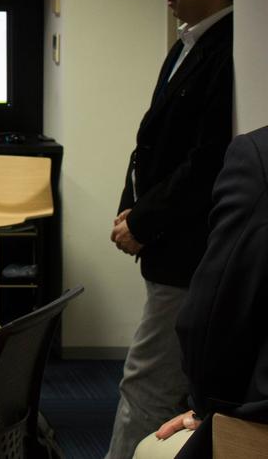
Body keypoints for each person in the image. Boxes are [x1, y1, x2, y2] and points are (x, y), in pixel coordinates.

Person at [104, 0, 234, 459]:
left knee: (148, 384)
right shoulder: (190, 42)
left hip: (189, 249)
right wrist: (130, 211)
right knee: (163, 381)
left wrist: (143, 219)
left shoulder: (229, 51)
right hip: (168, 242)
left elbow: (206, 162)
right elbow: (151, 143)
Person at [131, 126, 268, 459]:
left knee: (152, 449)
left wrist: (209, 408)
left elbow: (215, 316)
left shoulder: (259, 155)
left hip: (260, 428)